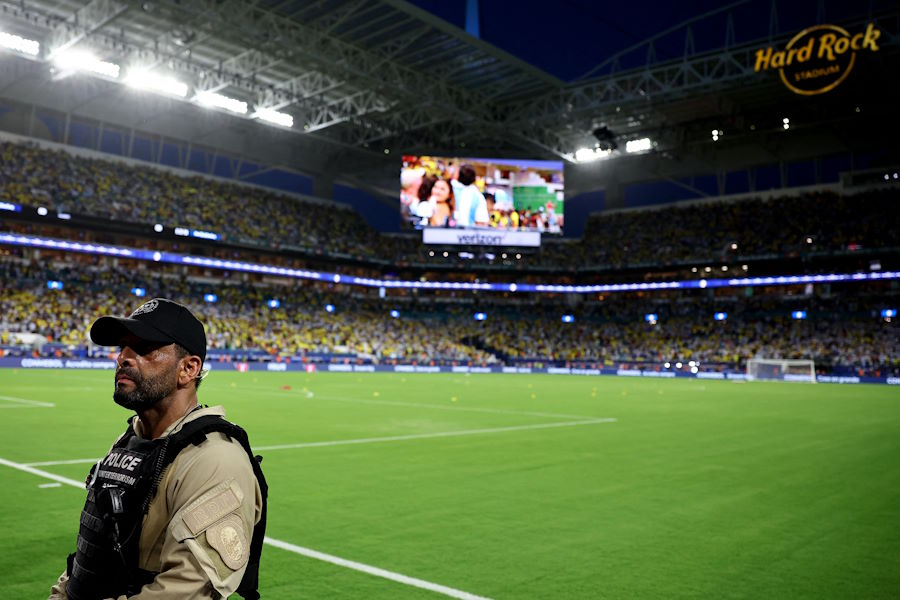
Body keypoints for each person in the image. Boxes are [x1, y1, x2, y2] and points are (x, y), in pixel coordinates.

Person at [49, 298, 267, 600]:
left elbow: (184, 591)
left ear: (188, 369)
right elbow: (92, 551)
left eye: (144, 348)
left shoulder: (215, 459)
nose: (123, 357)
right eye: (122, 347)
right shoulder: (129, 442)